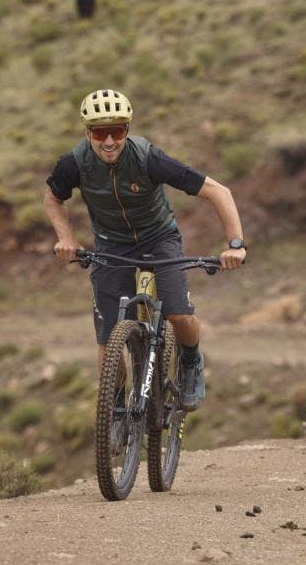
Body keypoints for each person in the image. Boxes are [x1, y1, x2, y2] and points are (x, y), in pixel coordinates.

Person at [42, 89, 246, 411]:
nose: (109, 141)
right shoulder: (74, 163)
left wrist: (235, 244)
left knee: (179, 314)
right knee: (109, 340)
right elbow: (53, 198)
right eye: (99, 132)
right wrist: (66, 238)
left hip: (158, 237)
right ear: (87, 133)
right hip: (111, 244)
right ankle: (118, 405)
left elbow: (217, 191)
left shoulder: (148, 158)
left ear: (127, 130)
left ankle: (191, 360)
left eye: (117, 131)